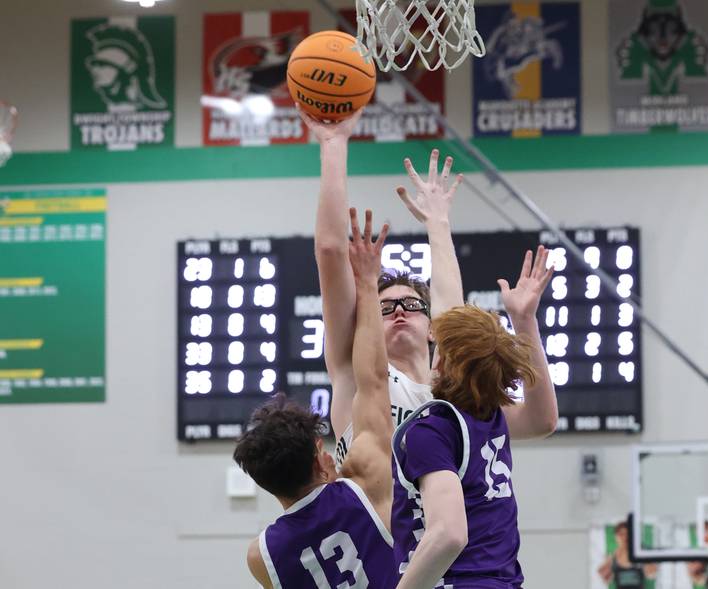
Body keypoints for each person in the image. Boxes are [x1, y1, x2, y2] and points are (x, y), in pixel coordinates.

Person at [298, 106, 559, 474]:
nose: (399, 311)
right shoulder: (354, 373)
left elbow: (541, 421)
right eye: (386, 308)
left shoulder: (459, 393)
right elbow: (329, 250)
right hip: (377, 529)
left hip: (446, 530)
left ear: (432, 326)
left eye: (410, 303)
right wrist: (333, 144)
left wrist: (525, 321)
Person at [233, 209, 397, 589]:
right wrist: (369, 284)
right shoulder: (365, 485)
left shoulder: (261, 556)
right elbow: (372, 381)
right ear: (321, 458)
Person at [391, 247, 558, 588]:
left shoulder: (431, 430)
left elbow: (449, 534)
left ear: (446, 364)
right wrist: (524, 321)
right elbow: (543, 420)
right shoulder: (487, 416)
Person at [597, 521, 658, 588]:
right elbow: (604, 577)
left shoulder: (641, 554)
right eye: (621, 534)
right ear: (616, 537)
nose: (624, 537)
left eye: (627, 534)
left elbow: (652, 574)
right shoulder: (613, 557)